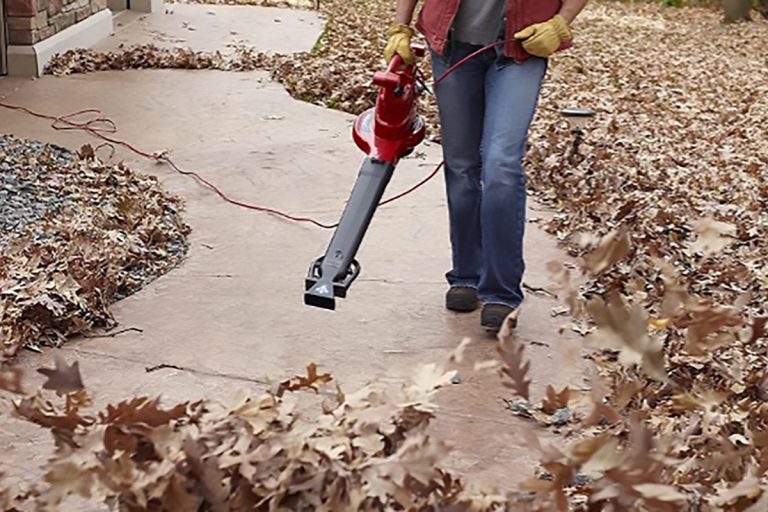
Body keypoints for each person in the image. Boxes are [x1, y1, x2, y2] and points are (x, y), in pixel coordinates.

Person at [385, 0, 588, 333]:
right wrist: (400, 27)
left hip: (520, 47)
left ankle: (501, 292)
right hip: (451, 45)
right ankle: (466, 273)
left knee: (501, 165)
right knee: (462, 165)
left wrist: (561, 23)